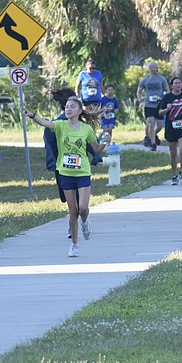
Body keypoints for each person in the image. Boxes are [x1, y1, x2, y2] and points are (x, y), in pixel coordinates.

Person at [25, 96, 108, 257]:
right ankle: (74, 245)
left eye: (71, 107)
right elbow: (45, 123)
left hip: (82, 172)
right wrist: (32, 115)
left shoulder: (86, 129)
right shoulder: (60, 126)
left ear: (79, 110)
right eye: (66, 107)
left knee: (83, 208)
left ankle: (85, 222)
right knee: (73, 210)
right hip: (65, 172)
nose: (68, 109)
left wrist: (105, 142)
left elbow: (96, 149)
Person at [158, 77, 182, 185]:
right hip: (171, 127)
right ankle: (174, 175)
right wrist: (167, 109)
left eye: (179, 83)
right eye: (175, 83)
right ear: (172, 85)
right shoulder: (167, 97)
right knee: (173, 154)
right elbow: (160, 112)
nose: (178, 85)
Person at [136, 61, 169, 151]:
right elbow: (139, 91)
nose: (157, 69)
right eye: (155, 68)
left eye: (157, 67)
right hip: (148, 105)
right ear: (150, 69)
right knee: (150, 122)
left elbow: (167, 90)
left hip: (159, 104)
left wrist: (165, 99)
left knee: (159, 126)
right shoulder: (145, 80)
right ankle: (153, 144)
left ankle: (151, 136)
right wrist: (140, 100)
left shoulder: (162, 79)